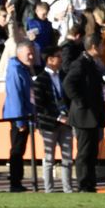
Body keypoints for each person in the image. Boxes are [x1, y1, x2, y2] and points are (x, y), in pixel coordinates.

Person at [63, 33, 105, 193]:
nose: (103, 48)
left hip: (92, 116)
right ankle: (83, 184)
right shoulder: (80, 63)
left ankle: (90, 183)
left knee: (92, 152)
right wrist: (81, 102)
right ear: (94, 47)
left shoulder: (93, 63)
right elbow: (68, 84)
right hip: (84, 116)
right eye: (101, 45)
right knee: (84, 152)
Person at [33, 46, 73, 193]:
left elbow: (69, 98)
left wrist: (68, 116)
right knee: (49, 158)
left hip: (66, 123)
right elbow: (40, 105)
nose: (61, 59)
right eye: (58, 56)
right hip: (49, 124)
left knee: (67, 158)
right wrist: (58, 117)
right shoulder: (40, 80)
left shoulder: (64, 76)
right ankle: (49, 189)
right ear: (50, 59)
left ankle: (68, 189)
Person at [3, 41, 35, 193]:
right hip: (18, 116)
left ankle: (17, 180)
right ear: (19, 53)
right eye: (28, 53)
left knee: (19, 149)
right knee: (16, 148)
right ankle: (15, 182)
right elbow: (15, 95)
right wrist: (20, 120)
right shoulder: (16, 69)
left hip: (22, 114)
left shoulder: (22, 68)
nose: (31, 56)